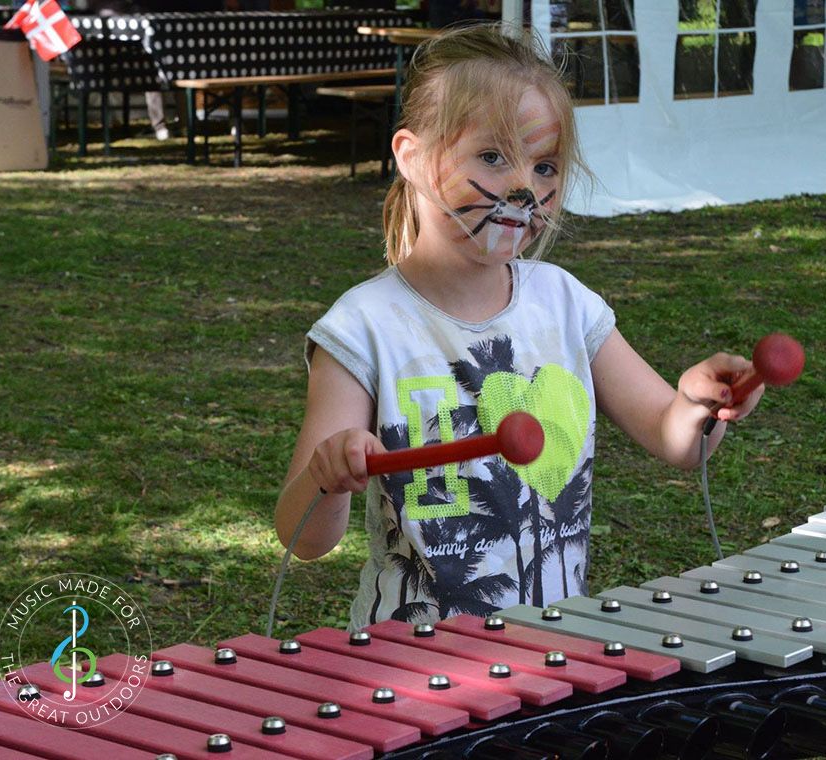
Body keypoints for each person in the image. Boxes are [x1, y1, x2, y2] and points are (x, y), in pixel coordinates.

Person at [274, 24, 763, 630]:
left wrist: (697, 402)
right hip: (408, 663)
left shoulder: (565, 303)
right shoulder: (364, 329)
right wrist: (330, 474)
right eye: (492, 156)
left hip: (552, 649)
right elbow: (304, 538)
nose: (523, 187)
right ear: (412, 157)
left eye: (544, 166)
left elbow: (678, 441)